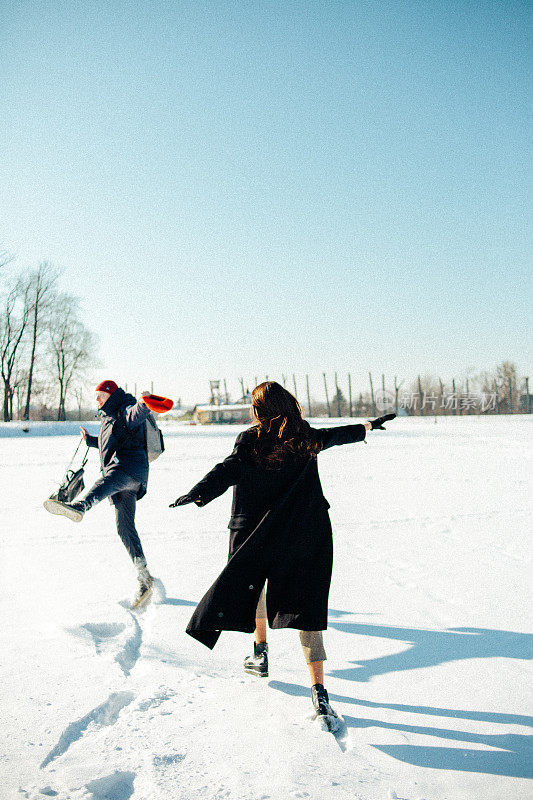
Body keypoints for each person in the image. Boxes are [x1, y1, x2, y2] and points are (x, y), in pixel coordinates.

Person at [170, 381, 395, 719]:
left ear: (260, 409)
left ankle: (260, 653)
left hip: (259, 532)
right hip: (306, 532)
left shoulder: (251, 440)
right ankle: (319, 691)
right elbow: (337, 435)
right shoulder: (305, 438)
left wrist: (198, 492)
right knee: (307, 610)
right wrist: (368, 426)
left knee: (255, 585)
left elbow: (228, 470)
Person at [44, 380, 155, 608]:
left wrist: (145, 403)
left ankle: (81, 505)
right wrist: (91, 441)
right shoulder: (109, 416)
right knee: (124, 527)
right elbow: (111, 443)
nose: (96, 400)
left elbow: (135, 414)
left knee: (108, 480)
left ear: (110, 394)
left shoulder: (124, 407)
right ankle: (144, 577)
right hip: (131, 478)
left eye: (100, 395)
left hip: (128, 469)